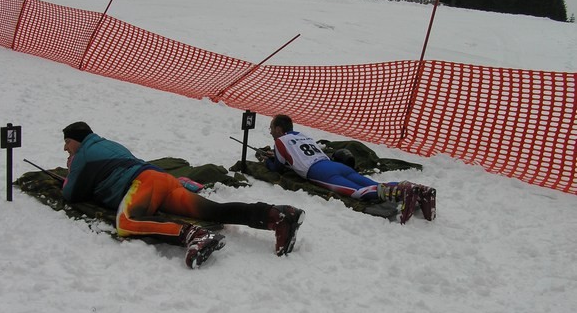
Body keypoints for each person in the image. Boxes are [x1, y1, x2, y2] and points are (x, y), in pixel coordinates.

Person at [61, 121, 305, 269]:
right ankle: (277, 215)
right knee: (213, 210)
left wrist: (71, 168)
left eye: (67, 142)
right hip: (162, 179)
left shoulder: (82, 155)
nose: (65, 148)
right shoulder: (108, 143)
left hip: (141, 183)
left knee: (127, 221)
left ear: (78, 141)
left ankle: (193, 235)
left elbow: (71, 194)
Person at [258, 115, 435, 224]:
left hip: (319, 171)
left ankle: (402, 190)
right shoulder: (303, 135)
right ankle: (415, 189)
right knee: (373, 184)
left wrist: (268, 161)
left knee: (359, 193)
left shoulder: (279, 142)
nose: (271, 131)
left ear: (279, 129)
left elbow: (278, 168)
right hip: (334, 165)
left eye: (272, 128)